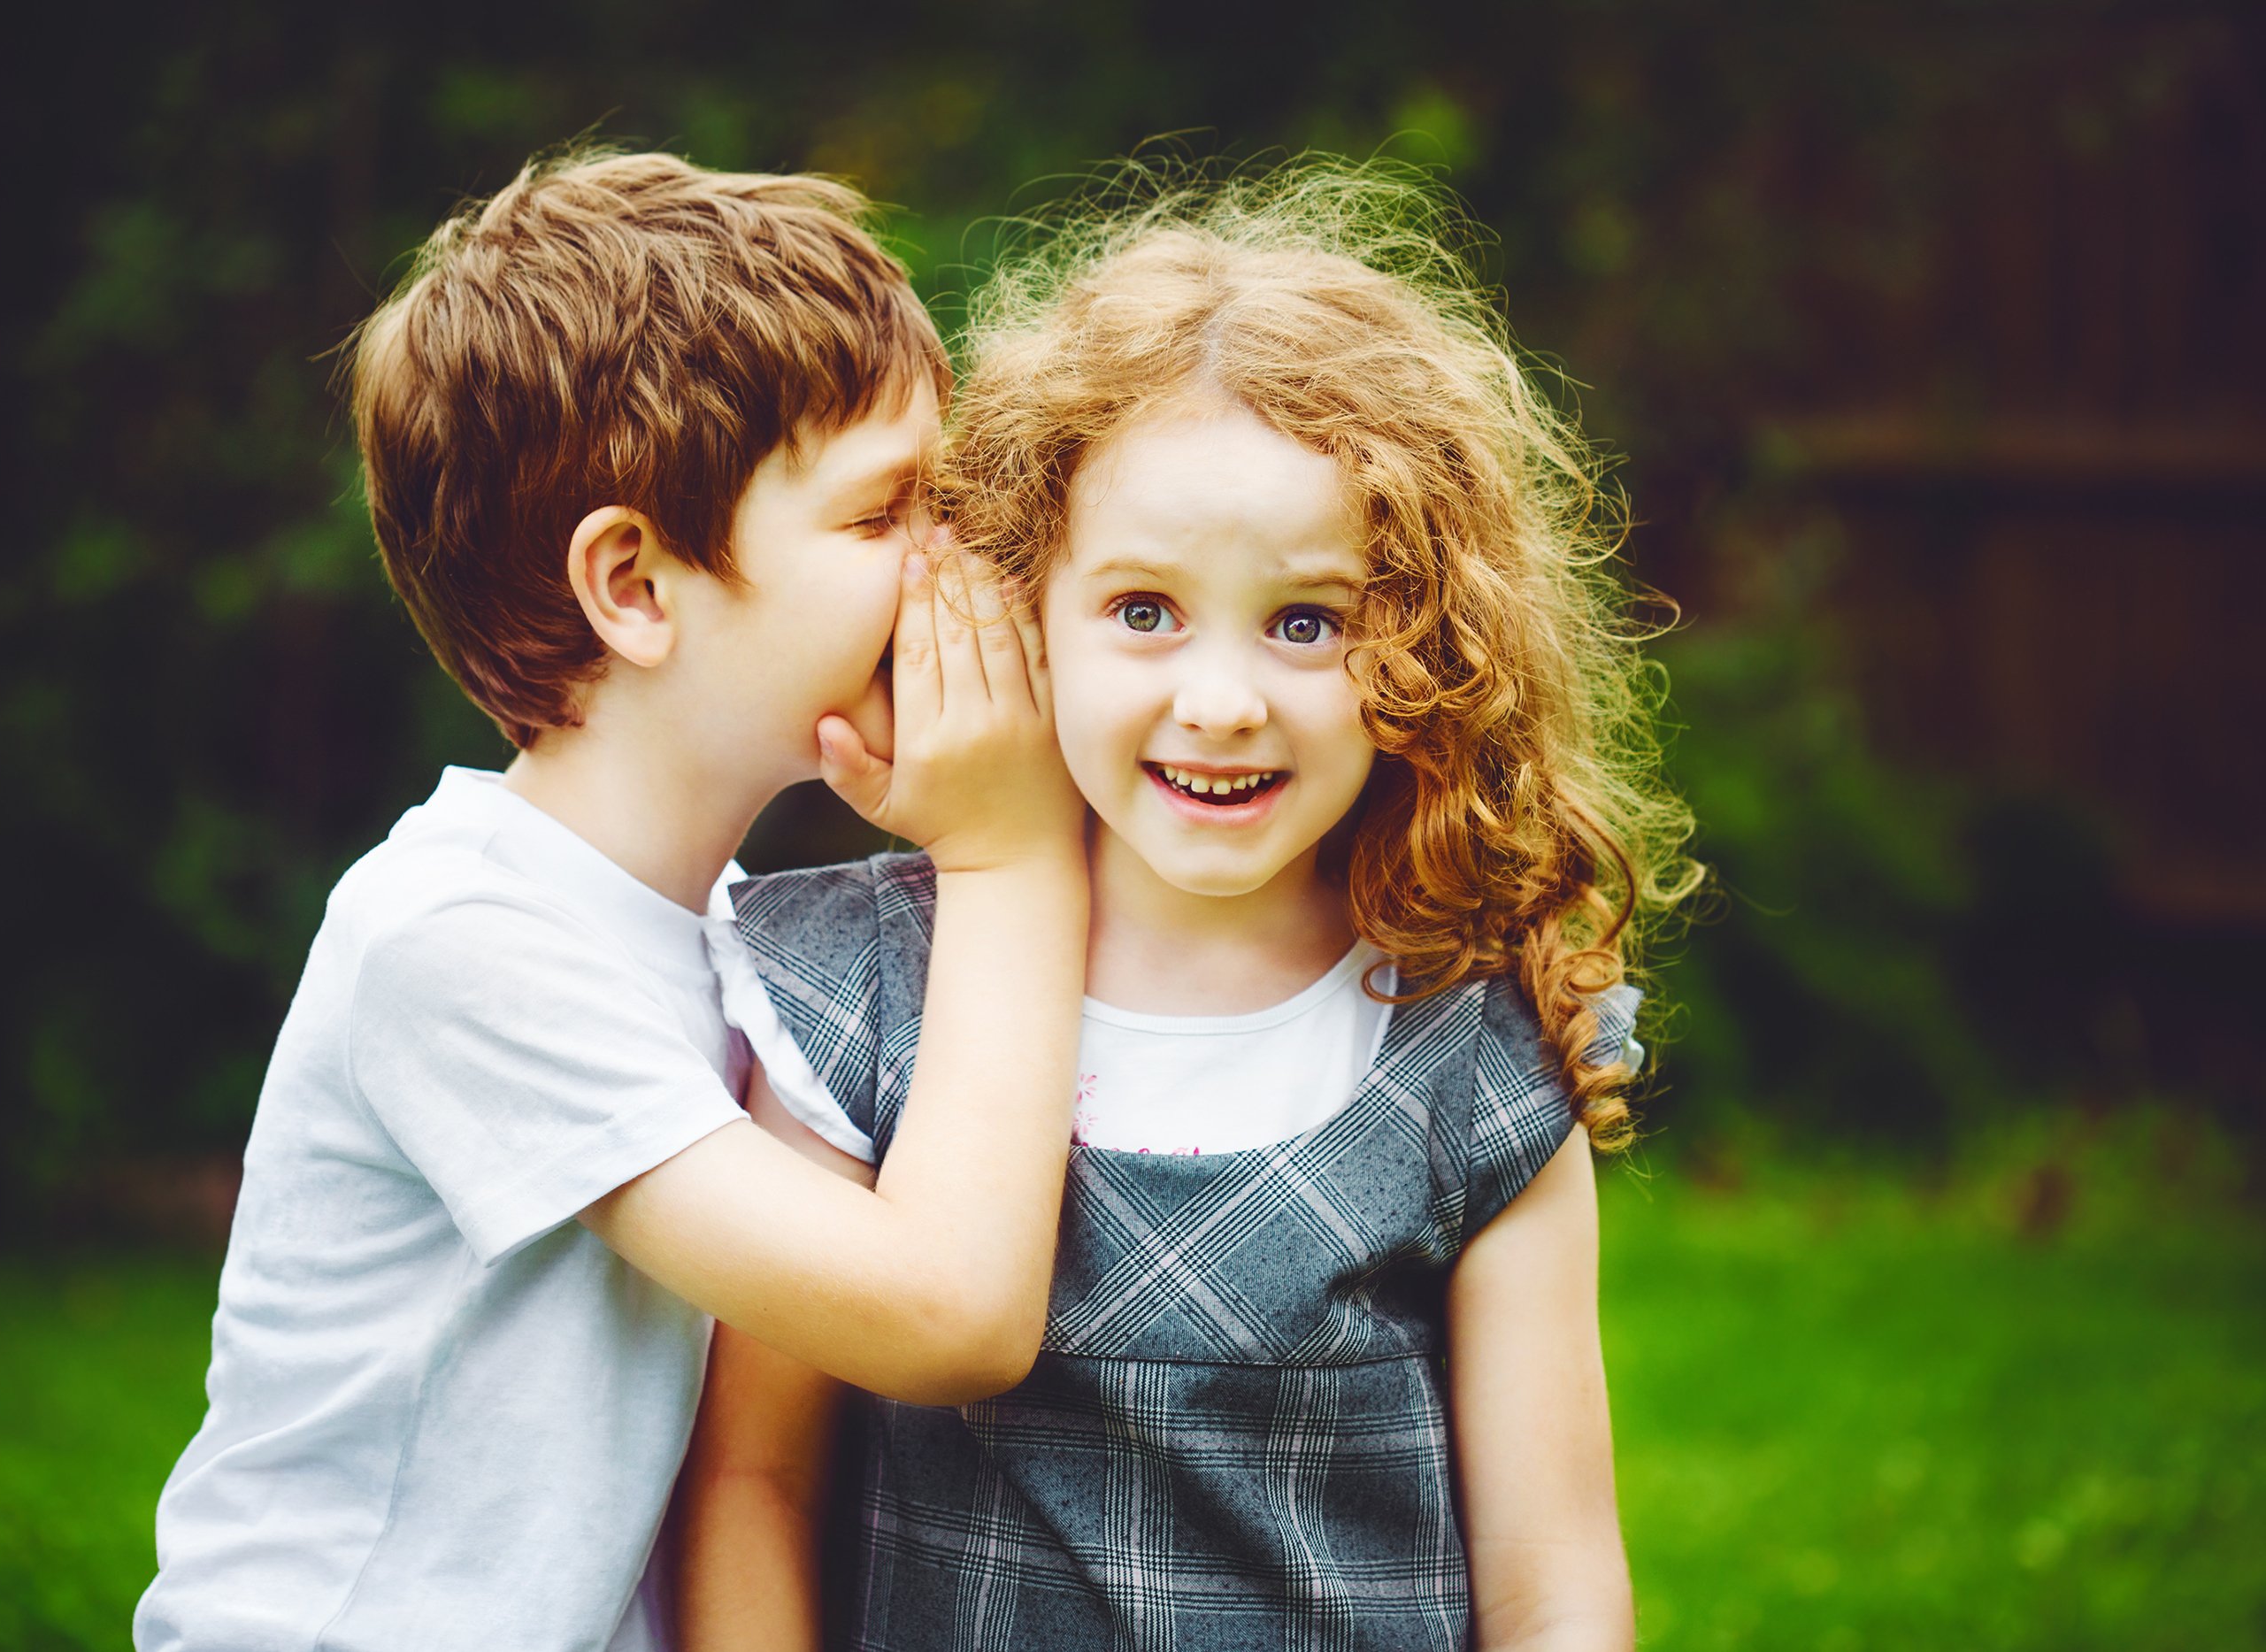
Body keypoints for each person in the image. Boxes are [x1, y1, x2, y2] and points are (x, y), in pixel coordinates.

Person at [677, 164, 1699, 1651]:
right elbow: (756, 1485)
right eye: (1143, 610)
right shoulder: (860, 996)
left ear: (1426, 642)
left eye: (1306, 621)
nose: (1220, 703)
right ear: (1022, 607)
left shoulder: (1473, 1045)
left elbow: (1551, 1579)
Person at [134, 149, 1090, 1652]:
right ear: (635, 587)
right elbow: (947, 1315)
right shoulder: (456, 943)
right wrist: (1012, 859)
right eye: (884, 512)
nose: (950, 562)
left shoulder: (733, 937)